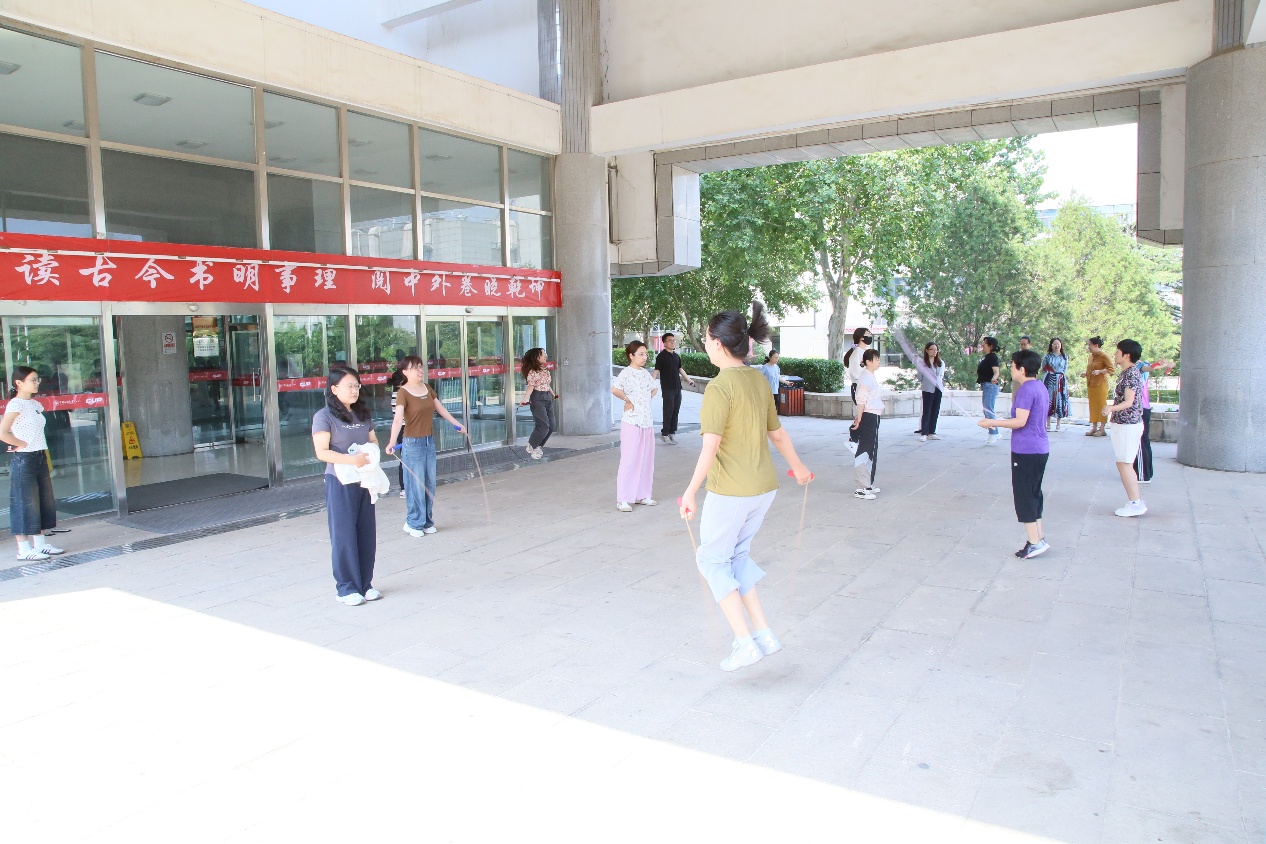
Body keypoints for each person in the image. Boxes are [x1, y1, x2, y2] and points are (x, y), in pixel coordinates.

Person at [679, 303, 812, 672]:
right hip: (763, 488)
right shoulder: (757, 379)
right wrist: (799, 468)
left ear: (719, 344)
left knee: (711, 560)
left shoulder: (720, 387)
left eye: (707, 338)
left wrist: (690, 491)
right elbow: (777, 434)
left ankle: (744, 642)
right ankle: (764, 635)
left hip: (732, 491)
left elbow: (710, 446)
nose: (705, 343)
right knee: (736, 557)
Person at [312, 365, 381, 606]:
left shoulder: (362, 414)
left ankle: (365, 584)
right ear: (334, 389)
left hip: (364, 478)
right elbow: (322, 452)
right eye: (349, 386)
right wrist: (351, 459)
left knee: (366, 531)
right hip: (340, 480)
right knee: (344, 533)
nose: (354, 390)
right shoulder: (324, 417)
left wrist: (370, 452)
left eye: (357, 385)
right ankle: (346, 587)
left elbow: (373, 440)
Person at [979, 350, 1050, 558]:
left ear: (1022, 369)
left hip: (1026, 450)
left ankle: (1034, 542)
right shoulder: (1040, 386)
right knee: (1034, 493)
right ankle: (1038, 538)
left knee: (1025, 495)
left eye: (1012, 365)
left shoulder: (1026, 389)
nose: (1010, 368)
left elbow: (1020, 421)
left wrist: (992, 422)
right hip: (1040, 448)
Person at [385, 355, 465, 537]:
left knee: (429, 482)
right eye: (415, 368)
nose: (420, 370)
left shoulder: (427, 388)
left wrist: (457, 424)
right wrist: (391, 441)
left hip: (429, 441)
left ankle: (427, 521)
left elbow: (440, 409)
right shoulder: (402, 392)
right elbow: (397, 420)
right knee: (415, 484)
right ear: (405, 372)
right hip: (412, 443)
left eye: (421, 367)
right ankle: (413, 522)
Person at [0, 366, 65, 561]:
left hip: (40, 456)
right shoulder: (15, 404)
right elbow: (3, 432)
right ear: (19, 383)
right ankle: (23, 549)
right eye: (32, 380)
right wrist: (21, 444)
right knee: (24, 502)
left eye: (38, 379)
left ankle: (41, 545)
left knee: (43, 500)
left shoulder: (35, 404)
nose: (37, 383)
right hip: (25, 458)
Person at [611, 340, 659, 512]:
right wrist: (628, 400)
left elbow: (654, 388)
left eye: (646, 354)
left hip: (647, 422)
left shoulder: (645, 374)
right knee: (629, 459)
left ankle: (642, 495)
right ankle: (623, 498)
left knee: (646, 459)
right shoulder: (626, 373)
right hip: (632, 421)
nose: (645, 357)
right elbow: (615, 389)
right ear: (631, 356)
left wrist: (645, 400)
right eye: (641, 354)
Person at [1103, 339, 1147, 517]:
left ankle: (1135, 502)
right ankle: (1134, 501)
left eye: (1118, 351)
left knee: (1125, 464)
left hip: (1128, 424)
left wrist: (1110, 408)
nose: (1115, 354)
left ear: (1127, 355)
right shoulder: (1127, 373)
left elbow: (1129, 402)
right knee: (1123, 463)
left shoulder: (1131, 374)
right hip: (1123, 423)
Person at [1133, 357, 1174, 484]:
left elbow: (1149, 368)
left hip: (1140, 409)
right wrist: (1167, 364)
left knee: (1140, 442)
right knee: (1143, 441)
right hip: (1143, 408)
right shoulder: (1137, 366)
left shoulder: (1139, 366)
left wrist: (1159, 365)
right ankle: (1146, 473)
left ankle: (1142, 475)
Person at [851, 349, 885, 499]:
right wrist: (859, 418)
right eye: (876, 359)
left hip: (873, 415)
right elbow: (861, 400)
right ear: (868, 361)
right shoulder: (866, 377)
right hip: (868, 416)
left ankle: (867, 483)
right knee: (864, 450)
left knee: (871, 449)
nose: (878, 362)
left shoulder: (869, 375)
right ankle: (860, 487)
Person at [653, 332, 695, 444]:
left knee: (675, 411)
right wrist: (651, 384)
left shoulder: (676, 356)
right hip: (667, 388)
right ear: (664, 343)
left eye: (673, 340)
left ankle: (672, 433)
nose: (672, 342)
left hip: (677, 387)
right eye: (670, 340)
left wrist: (689, 380)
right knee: (668, 411)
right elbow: (656, 371)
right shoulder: (661, 357)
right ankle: (664, 434)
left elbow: (680, 369)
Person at [519, 347, 558, 459]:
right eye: (542, 354)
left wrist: (553, 394)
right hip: (538, 398)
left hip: (547, 397)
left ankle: (537, 445)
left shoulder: (545, 370)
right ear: (536, 357)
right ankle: (533, 446)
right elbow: (531, 387)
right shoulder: (532, 372)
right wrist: (524, 399)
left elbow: (547, 384)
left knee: (551, 425)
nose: (545, 356)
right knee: (543, 425)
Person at [843, 327, 872, 453]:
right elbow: (856, 374)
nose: (869, 336)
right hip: (859, 388)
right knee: (863, 415)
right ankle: (853, 438)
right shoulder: (856, 354)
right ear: (861, 337)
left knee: (864, 415)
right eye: (867, 334)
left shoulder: (863, 353)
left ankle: (857, 439)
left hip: (864, 388)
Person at [916, 342, 945, 441]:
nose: (934, 352)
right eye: (932, 349)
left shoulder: (940, 363)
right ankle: (924, 432)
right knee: (926, 410)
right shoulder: (922, 363)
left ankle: (932, 431)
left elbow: (941, 376)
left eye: (936, 350)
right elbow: (919, 377)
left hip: (938, 388)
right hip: (927, 388)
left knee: (935, 410)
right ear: (927, 350)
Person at [388, 354, 408, 497]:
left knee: (406, 458)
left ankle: (406, 487)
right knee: (405, 459)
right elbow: (399, 418)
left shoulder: (397, 393)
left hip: (403, 429)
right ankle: (404, 488)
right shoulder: (400, 394)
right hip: (404, 429)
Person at [1040, 338, 1070, 432]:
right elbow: (1043, 368)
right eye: (1054, 344)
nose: (1056, 346)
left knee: (1059, 400)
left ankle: (1058, 424)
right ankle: (1048, 424)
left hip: (1060, 379)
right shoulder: (1047, 356)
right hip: (1049, 379)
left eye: (1058, 344)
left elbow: (1065, 369)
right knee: (1048, 400)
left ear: (1061, 345)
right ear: (1051, 345)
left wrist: (1060, 376)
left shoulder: (1064, 357)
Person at [1085, 336, 1113, 437]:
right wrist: (1085, 374)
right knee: (1093, 406)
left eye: (1090, 345)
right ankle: (1094, 427)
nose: (1088, 347)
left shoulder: (1104, 356)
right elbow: (1090, 369)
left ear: (1096, 345)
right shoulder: (1091, 356)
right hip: (1091, 384)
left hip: (1101, 384)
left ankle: (1102, 428)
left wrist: (1100, 371)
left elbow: (1111, 369)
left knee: (1101, 405)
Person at [977, 337, 1002, 444]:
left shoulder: (992, 357)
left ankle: (994, 433)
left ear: (990, 346)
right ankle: (993, 432)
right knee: (987, 409)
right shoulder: (987, 357)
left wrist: (993, 379)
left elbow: (996, 371)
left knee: (988, 409)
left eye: (985, 344)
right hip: (986, 385)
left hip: (990, 386)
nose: (983, 345)